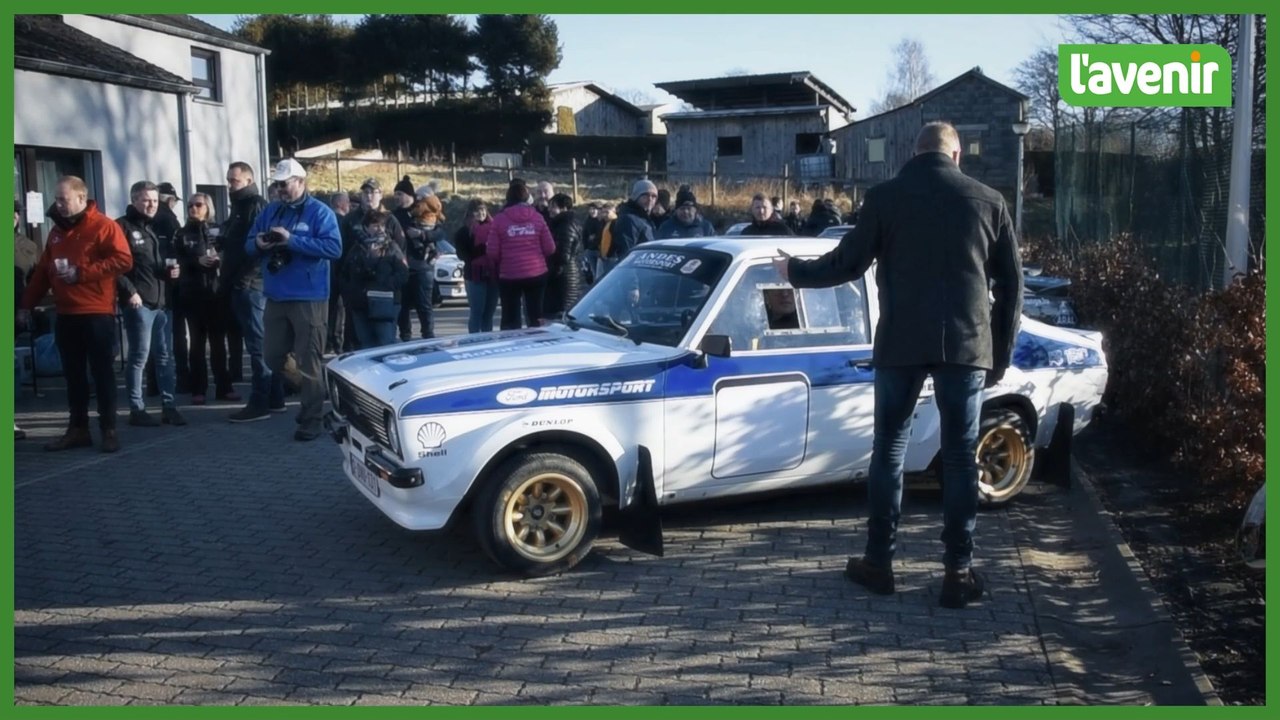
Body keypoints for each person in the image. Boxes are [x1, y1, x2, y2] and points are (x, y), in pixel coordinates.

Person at [773, 121, 1023, 609]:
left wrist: (794, 272)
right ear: (956, 157)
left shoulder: (886, 197)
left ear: (914, 152)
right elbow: (1011, 289)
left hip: (900, 344)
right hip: (967, 347)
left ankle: (879, 564)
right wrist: (998, 356)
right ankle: (958, 572)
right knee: (958, 458)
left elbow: (847, 263)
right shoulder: (989, 201)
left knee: (889, 451)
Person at [18, 177, 132, 452]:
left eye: (63, 199)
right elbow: (43, 273)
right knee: (73, 374)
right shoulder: (56, 232)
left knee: (102, 373)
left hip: (96, 312)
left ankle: (109, 429)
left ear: (81, 199)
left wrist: (82, 273)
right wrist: (25, 306)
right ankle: (78, 429)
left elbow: (123, 260)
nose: (58, 205)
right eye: (56, 199)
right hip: (66, 313)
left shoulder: (104, 226)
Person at [245, 158, 342, 441]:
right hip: (276, 295)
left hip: (309, 297)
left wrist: (292, 241)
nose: (279, 190)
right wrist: (259, 244)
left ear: (300, 182)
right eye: (276, 185)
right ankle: (319, 392)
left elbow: (335, 248)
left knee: (309, 359)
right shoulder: (270, 211)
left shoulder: (320, 213)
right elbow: (249, 243)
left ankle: (311, 419)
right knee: (272, 356)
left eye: (284, 184)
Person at [116, 181, 187, 428]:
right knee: (139, 357)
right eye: (146, 200)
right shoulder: (121, 227)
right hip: (139, 304)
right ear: (134, 200)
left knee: (165, 357)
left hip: (163, 302)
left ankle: (169, 406)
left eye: (155, 201)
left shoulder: (158, 226)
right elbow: (114, 266)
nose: (151, 205)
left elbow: (162, 262)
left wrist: (173, 272)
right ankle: (137, 409)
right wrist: (129, 291)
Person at [222, 161, 285, 422]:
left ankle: (261, 401)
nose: (229, 185)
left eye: (233, 181)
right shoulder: (239, 207)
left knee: (258, 345)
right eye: (228, 180)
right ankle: (276, 397)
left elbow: (260, 247)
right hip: (243, 283)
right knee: (260, 343)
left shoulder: (255, 205)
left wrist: (244, 280)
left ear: (248, 180)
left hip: (251, 286)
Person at [175, 192, 238, 405]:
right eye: (190, 205)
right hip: (193, 295)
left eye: (199, 205)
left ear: (208, 207)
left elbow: (228, 253)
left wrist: (219, 260)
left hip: (216, 294)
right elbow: (177, 260)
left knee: (219, 343)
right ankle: (198, 388)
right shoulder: (182, 233)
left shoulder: (218, 230)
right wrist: (196, 261)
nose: (194, 208)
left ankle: (224, 386)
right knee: (197, 345)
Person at [484, 179, 555, 330]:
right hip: (536, 272)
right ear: (527, 198)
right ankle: (538, 343)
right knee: (536, 314)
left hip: (509, 274)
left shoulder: (499, 220)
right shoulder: (537, 217)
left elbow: (492, 252)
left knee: (510, 316)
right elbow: (550, 248)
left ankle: (511, 345)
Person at [342, 209, 408, 348]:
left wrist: (387, 286)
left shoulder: (391, 247)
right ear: (366, 227)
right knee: (365, 345)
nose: (380, 229)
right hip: (361, 303)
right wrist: (351, 293)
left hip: (386, 303)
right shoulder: (357, 249)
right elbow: (346, 273)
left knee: (385, 344)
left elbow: (403, 273)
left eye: (382, 226)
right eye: (375, 226)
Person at [155, 181, 189, 394]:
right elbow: (179, 252)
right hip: (172, 284)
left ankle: (154, 383)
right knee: (175, 333)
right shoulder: (169, 220)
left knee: (155, 335)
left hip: (152, 286)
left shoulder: (145, 220)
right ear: (170, 200)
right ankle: (182, 378)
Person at [400, 194, 445, 340]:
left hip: (423, 268)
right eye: (397, 194)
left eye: (402, 194)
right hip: (404, 266)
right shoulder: (398, 215)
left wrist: (422, 235)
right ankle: (405, 335)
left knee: (424, 305)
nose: (399, 198)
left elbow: (439, 232)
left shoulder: (426, 215)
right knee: (403, 306)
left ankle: (428, 335)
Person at [453, 199, 498, 333]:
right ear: (471, 213)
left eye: (483, 209)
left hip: (493, 274)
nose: (481, 213)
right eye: (477, 210)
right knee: (477, 312)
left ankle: (487, 340)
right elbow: (463, 255)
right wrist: (483, 249)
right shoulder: (463, 232)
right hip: (474, 276)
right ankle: (474, 341)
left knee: (489, 313)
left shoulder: (494, 227)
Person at [600, 180, 658, 279]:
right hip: (635, 276)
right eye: (645, 195)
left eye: (653, 196)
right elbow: (626, 255)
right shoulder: (628, 219)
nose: (650, 199)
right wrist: (632, 286)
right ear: (636, 197)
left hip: (645, 274)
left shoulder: (644, 218)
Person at [544, 193, 583, 321]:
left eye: (553, 206)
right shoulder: (561, 223)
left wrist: (549, 271)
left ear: (564, 208)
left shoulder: (566, 225)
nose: (549, 209)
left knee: (560, 318)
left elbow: (563, 256)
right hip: (565, 277)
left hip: (564, 280)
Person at [580, 201, 605, 285]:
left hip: (599, 251)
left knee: (600, 274)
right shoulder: (588, 221)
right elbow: (584, 235)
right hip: (590, 250)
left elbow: (601, 235)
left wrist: (595, 238)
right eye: (590, 209)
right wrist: (586, 248)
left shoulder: (601, 221)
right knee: (593, 273)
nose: (591, 211)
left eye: (594, 209)